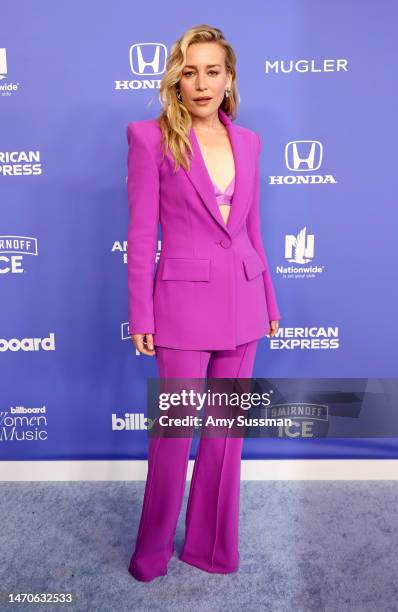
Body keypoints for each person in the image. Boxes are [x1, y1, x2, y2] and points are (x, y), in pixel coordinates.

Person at [126, 24, 281, 582]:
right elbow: (142, 235)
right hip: (182, 307)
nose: (201, 83)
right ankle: (151, 553)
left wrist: (268, 297)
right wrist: (141, 314)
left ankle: (212, 549)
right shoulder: (151, 138)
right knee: (173, 438)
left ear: (229, 78)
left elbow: (253, 229)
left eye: (212, 71)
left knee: (225, 435)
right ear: (176, 78)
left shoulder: (251, 142)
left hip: (244, 299)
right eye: (190, 71)